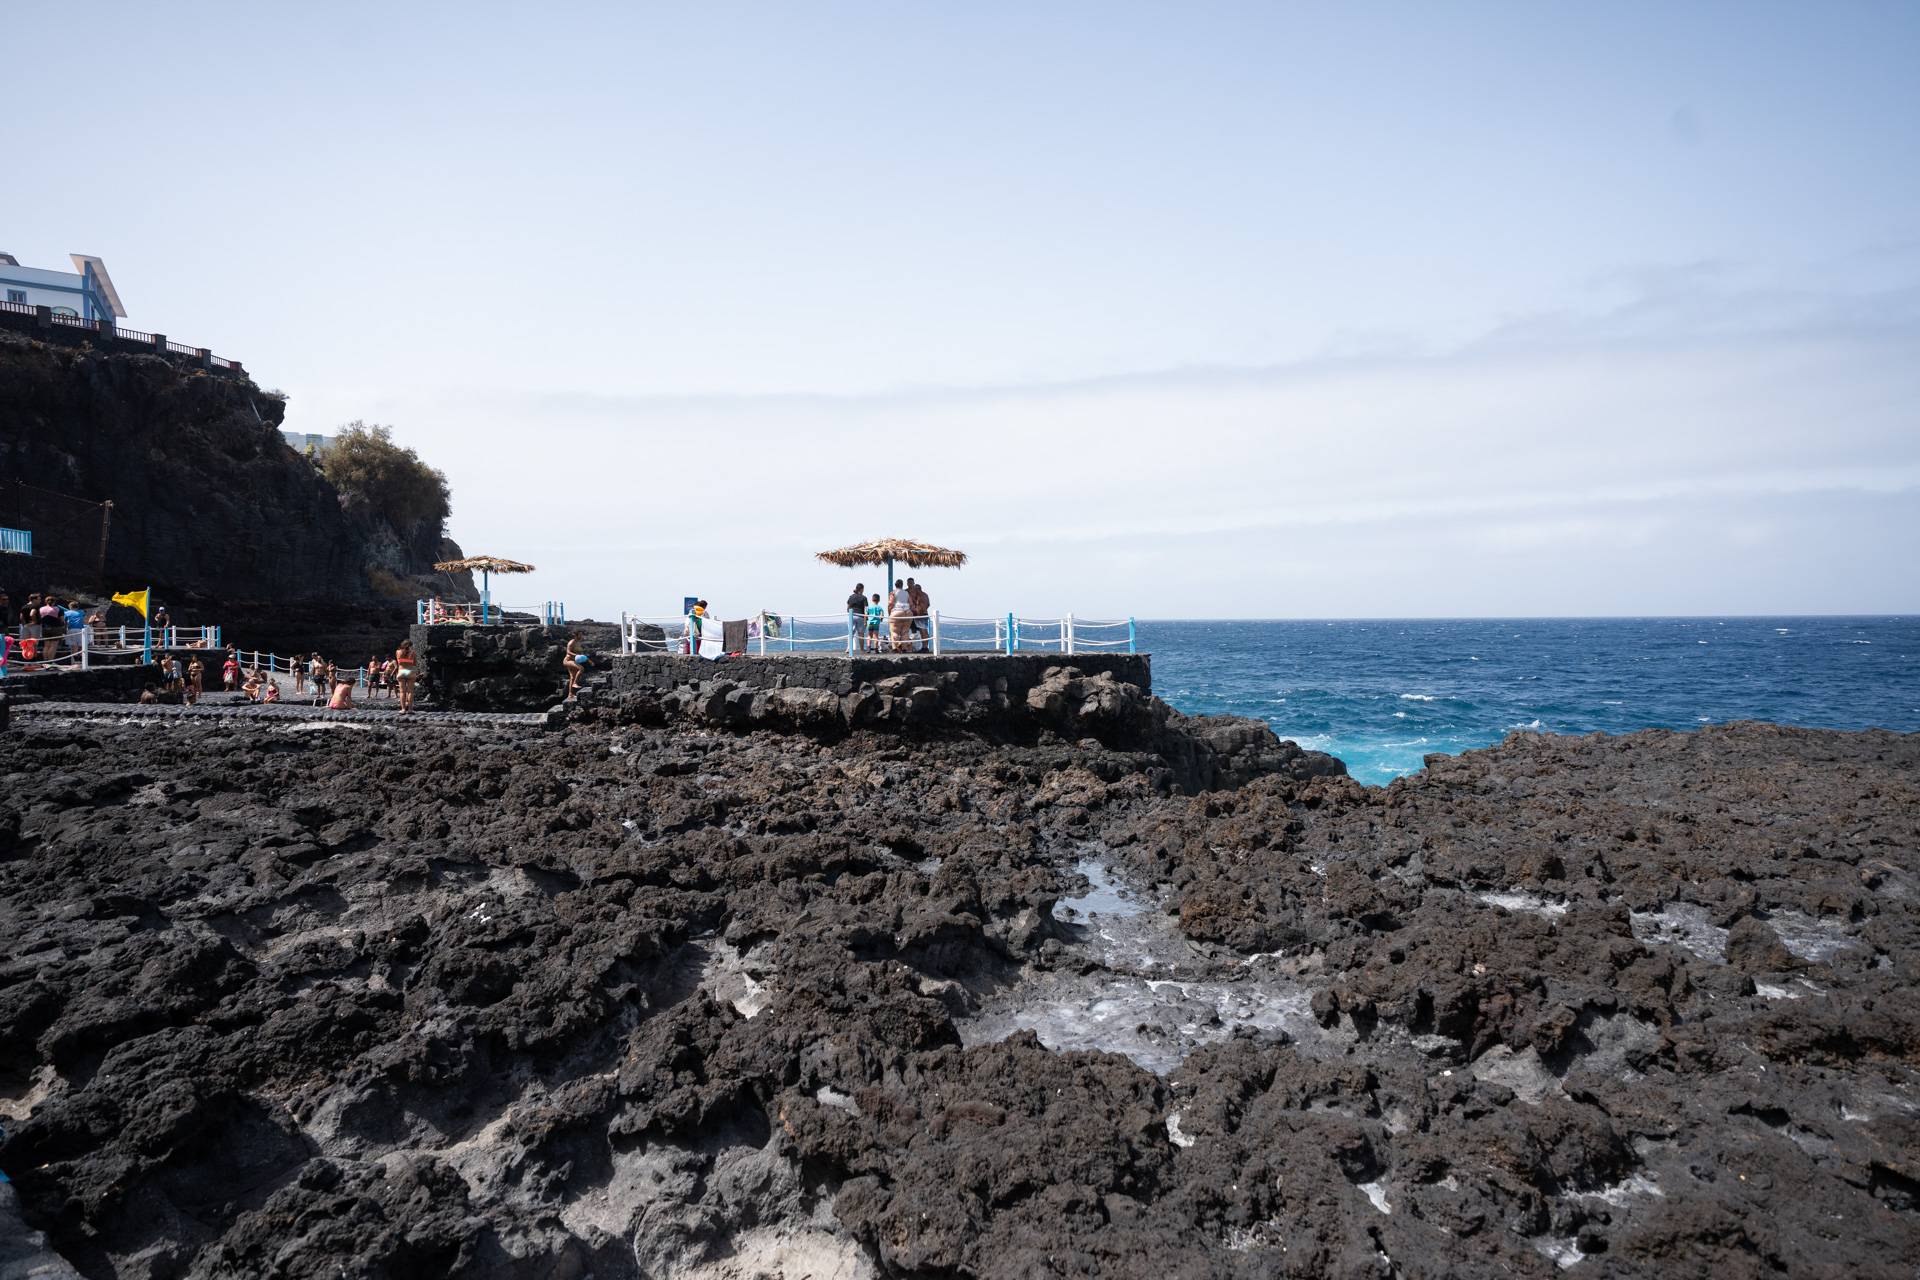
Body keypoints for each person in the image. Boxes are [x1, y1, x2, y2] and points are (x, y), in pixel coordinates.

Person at [888, 579, 913, 651]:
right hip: (907, 612)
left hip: (897, 611)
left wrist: (890, 613)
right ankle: (904, 648)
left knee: (894, 631)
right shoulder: (906, 593)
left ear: (895, 585)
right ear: (902, 585)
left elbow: (890, 603)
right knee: (905, 631)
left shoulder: (893, 592)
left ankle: (896, 648)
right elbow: (911, 604)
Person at [394, 640, 418, 713]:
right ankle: (410, 709)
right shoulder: (413, 652)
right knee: (410, 691)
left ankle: (403, 709)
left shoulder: (398, 652)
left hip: (402, 671)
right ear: (410, 645)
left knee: (402, 692)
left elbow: (399, 662)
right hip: (410, 671)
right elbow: (414, 663)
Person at [907, 578, 931, 652]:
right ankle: (925, 647)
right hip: (925, 613)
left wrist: (916, 610)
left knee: (922, 630)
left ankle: (921, 647)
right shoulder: (925, 595)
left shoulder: (917, 595)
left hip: (919, 614)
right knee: (924, 631)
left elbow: (915, 604)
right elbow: (928, 604)